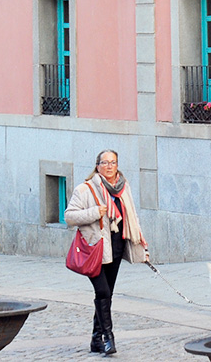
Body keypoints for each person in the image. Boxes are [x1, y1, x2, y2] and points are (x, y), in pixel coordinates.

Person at [65, 149, 149, 355]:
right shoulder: (85, 189)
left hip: (116, 248)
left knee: (107, 293)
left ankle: (96, 339)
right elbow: (69, 216)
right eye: (105, 163)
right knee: (102, 291)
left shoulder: (123, 188)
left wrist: (140, 241)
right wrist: (95, 212)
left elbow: (132, 216)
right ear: (97, 166)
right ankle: (108, 338)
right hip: (95, 249)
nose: (109, 166)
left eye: (113, 162)